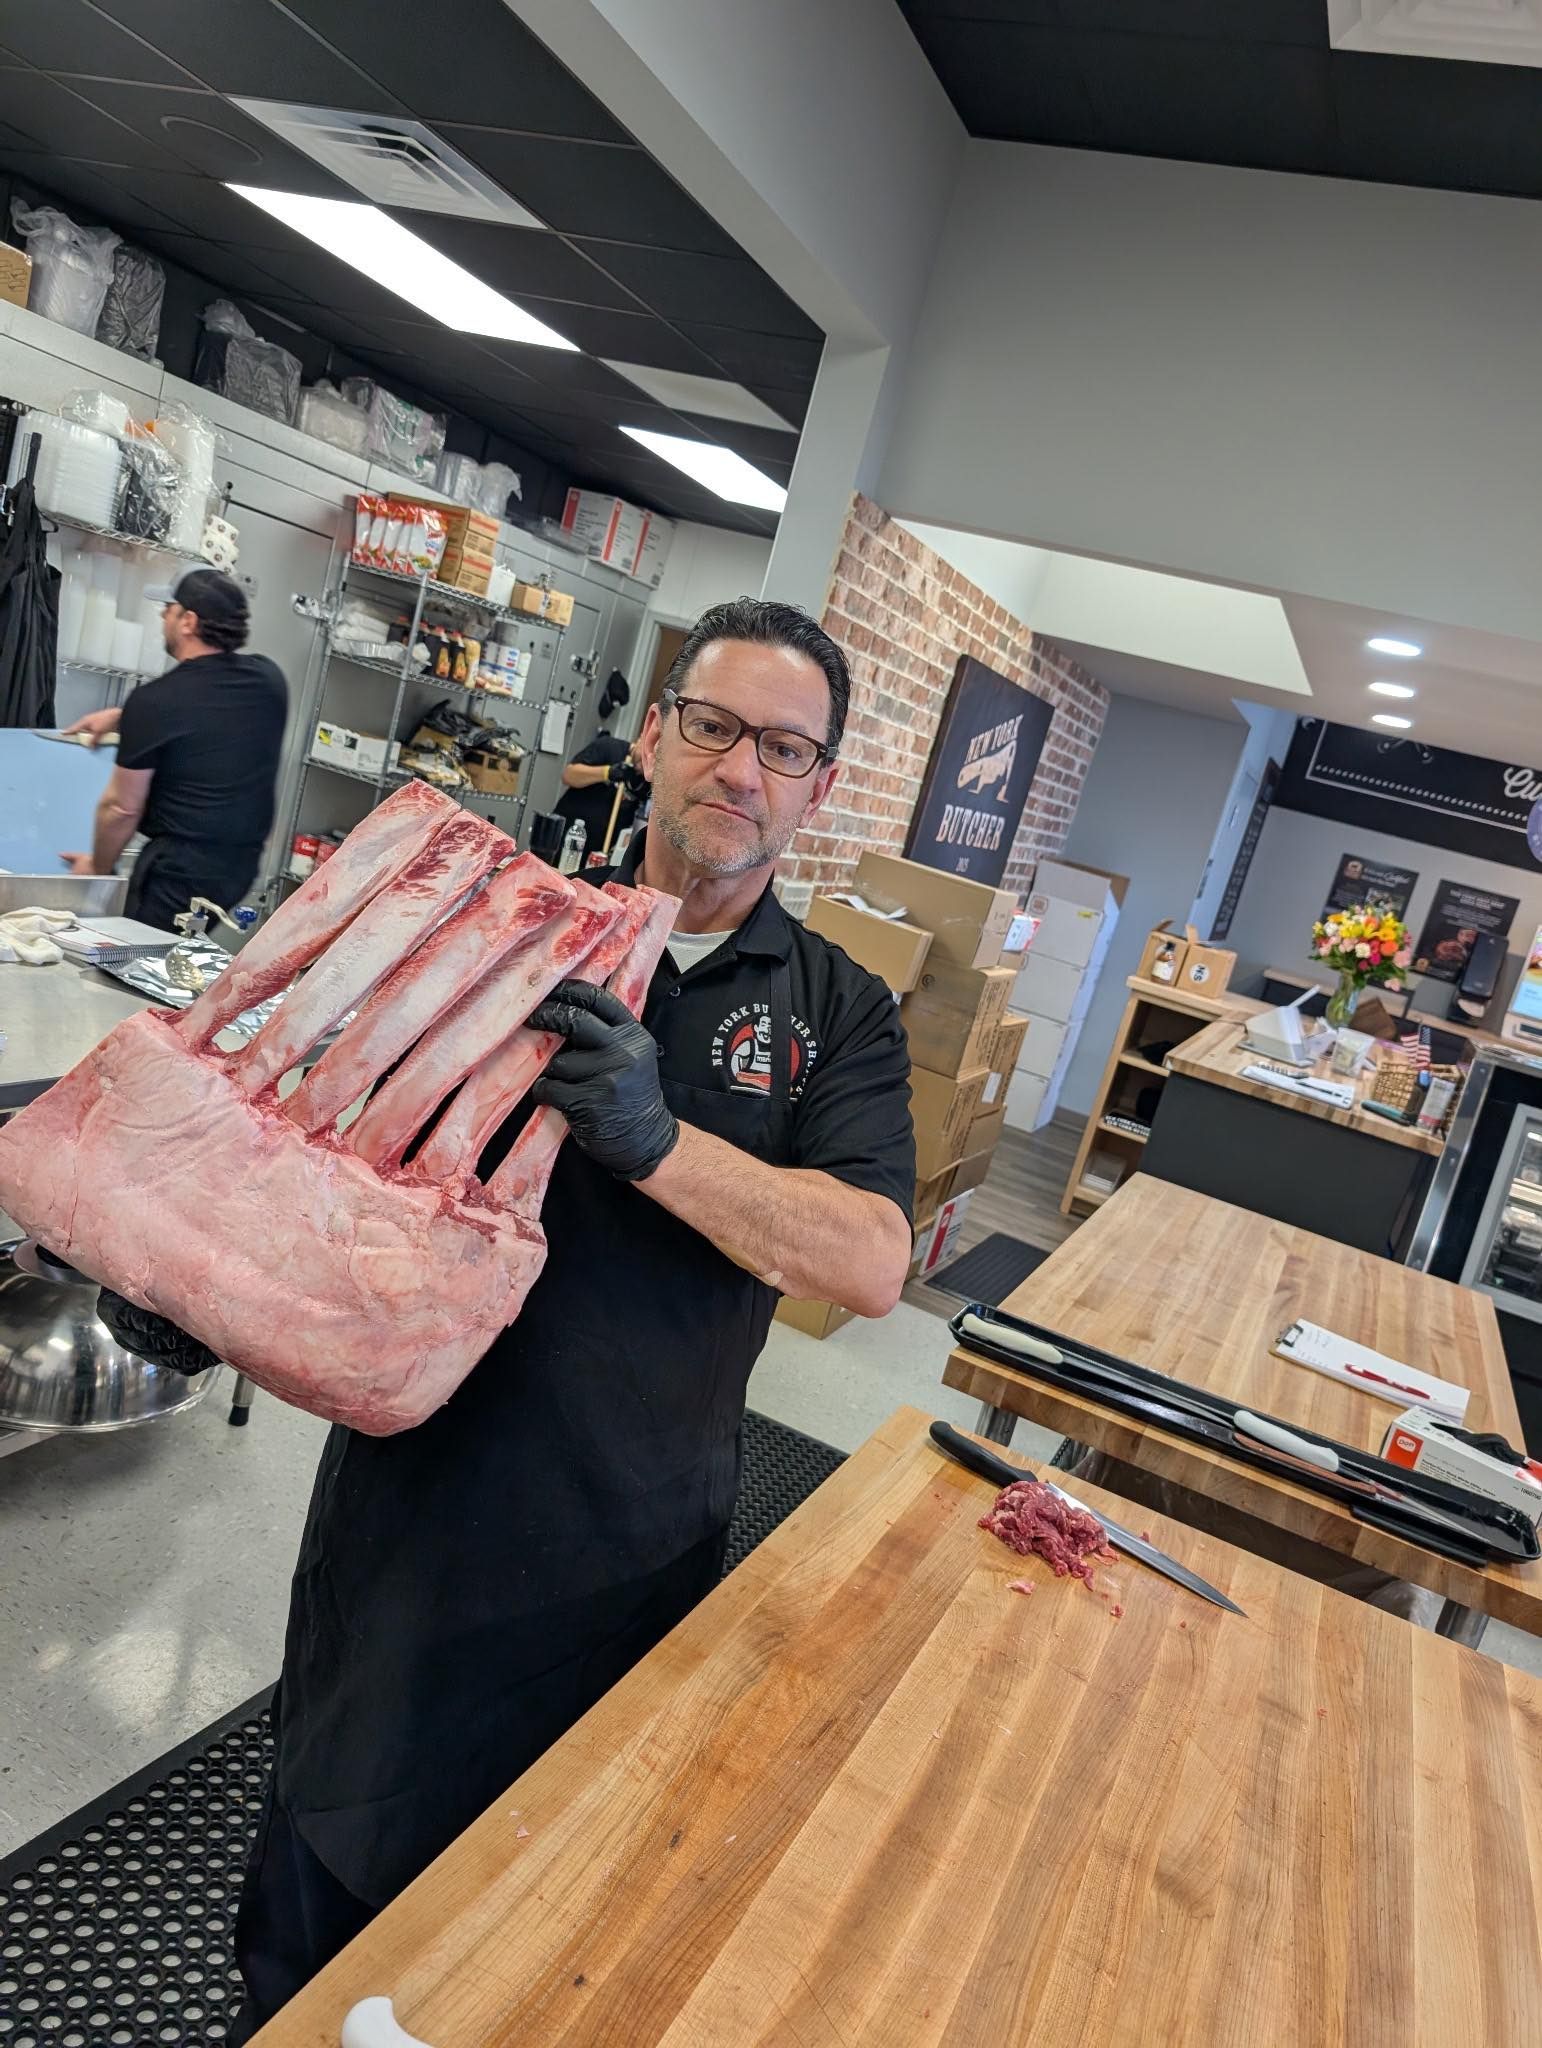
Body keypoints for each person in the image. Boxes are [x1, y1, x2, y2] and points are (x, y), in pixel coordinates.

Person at [100, 596, 916, 2037]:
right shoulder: (499, 923)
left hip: (634, 1541)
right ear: (653, 737)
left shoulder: (836, 1010)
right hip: (414, 1512)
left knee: (533, 1936)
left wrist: (656, 1141)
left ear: (820, 786)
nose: (740, 769)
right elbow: (327, 1137)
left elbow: (868, 1259)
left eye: (784, 748)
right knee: (323, 1892)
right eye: (713, 725)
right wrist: (197, 1281)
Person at [59, 567, 287, 929]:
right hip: (239, 868)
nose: (163, 616)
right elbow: (208, 714)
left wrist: (98, 868)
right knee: (181, 950)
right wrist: (122, 718)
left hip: (178, 875)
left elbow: (120, 808)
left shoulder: (155, 702)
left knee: (135, 956)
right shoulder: (268, 679)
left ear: (188, 622)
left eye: (169, 608)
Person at [554, 673, 648, 860]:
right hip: (566, 838)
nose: (644, 764)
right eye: (644, 755)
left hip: (598, 854)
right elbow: (569, 775)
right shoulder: (609, 746)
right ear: (641, 738)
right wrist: (608, 772)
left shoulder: (648, 781)